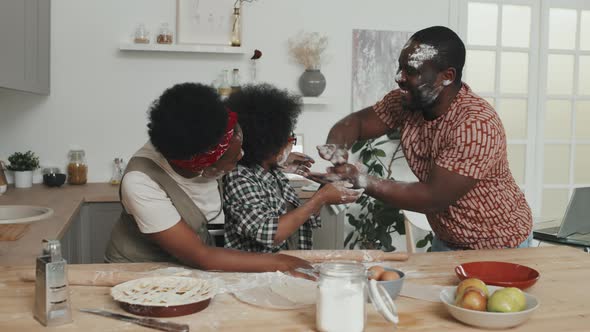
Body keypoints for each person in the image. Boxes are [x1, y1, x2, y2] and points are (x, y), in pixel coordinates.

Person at [314, 26, 533, 251]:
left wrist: (360, 179)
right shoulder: (407, 103)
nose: (399, 77)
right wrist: (336, 147)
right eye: (400, 67)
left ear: (447, 77)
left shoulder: (475, 124)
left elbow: (432, 197)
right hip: (448, 241)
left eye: (412, 71)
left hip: (499, 245)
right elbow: (356, 123)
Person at [105, 82, 312, 273]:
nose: (241, 157)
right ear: (206, 167)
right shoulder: (141, 182)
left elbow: (235, 151)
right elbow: (200, 255)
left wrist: (275, 158)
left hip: (188, 269)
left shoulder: (205, 136)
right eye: (233, 159)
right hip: (139, 272)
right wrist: (281, 262)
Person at [223, 84, 363, 252]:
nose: (290, 142)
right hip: (258, 274)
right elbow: (270, 234)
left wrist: (324, 188)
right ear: (268, 143)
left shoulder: (275, 175)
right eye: (289, 138)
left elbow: (301, 218)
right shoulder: (239, 178)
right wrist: (321, 198)